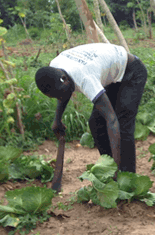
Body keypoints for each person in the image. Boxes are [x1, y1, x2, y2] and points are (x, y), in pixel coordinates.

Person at [34, 43, 147, 190]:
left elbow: (111, 120)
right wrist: (57, 120)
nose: (61, 98)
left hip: (131, 72)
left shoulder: (85, 77)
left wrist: (116, 169)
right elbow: (62, 93)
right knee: (96, 124)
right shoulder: (54, 69)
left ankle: (127, 180)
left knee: (121, 124)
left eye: (61, 94)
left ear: (65, 79)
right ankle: (110, 169)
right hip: (111, 76)